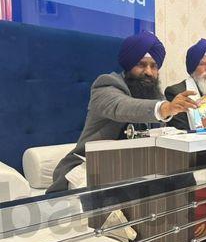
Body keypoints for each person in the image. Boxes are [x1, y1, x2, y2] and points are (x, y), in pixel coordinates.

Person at [47, 31, 197, 193]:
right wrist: (164, 108)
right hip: (91, 165)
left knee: (182, 174)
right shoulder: (106, 85)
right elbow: (122, 107)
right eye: (141, 64)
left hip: (135, 166)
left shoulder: (155, 94)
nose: (149, 72)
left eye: (154, 66)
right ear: (129, 65)